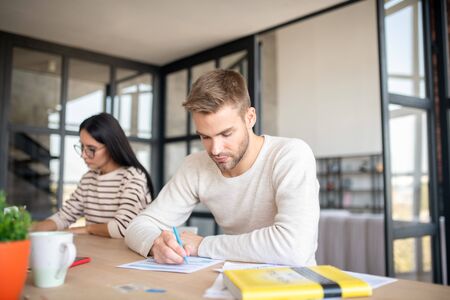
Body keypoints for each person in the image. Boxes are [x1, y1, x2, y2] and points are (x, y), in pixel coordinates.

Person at [125, 70, 319, 266]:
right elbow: (138, 226)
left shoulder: (291, 155)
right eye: (205, 137)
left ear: (250, 117)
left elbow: (294, 248)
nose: (215, 150)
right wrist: (155, 244)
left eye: (226, 134)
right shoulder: (196, 166)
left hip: (295, 284)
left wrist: (202, 245)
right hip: (231, 279)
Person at [32, 113, 155, 238]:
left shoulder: (133, 177)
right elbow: (63, 217)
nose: (83, 155)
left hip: (124, 255)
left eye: (91, 149)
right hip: (96, 251)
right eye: (82, 147)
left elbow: (122, 228)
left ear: (111, 146)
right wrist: (30, 231)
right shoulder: (88, 178)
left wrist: (88, 229)